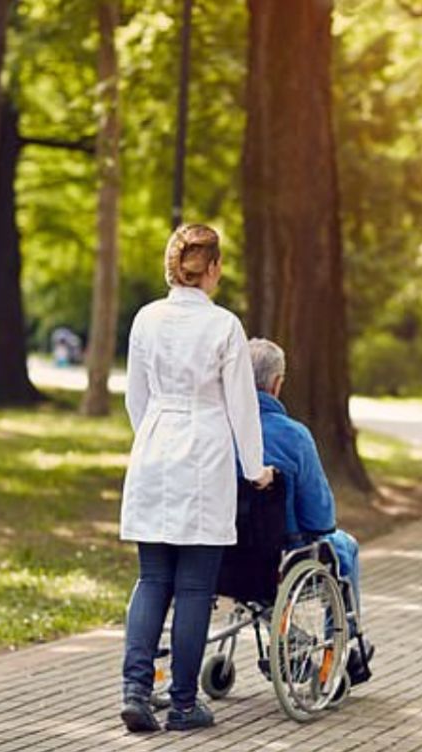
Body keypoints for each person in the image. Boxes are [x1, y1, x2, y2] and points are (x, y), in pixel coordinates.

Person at [119, 224, 274, 733]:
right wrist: (256, 469)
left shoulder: (146, 319)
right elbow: (242, 407)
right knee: (192, 588)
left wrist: (154, 439)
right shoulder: (224, 326)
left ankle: (137, 692)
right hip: (204, 458)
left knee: (151, 578)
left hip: (154, 452)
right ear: (211, 269)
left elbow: (135, 397)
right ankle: (184, 705)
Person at [247, 338, 374, 685]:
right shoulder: (294, 436)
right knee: (344, 545)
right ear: (276, 383)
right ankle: (348, 644)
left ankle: (293, 635)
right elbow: (321, 519)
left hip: (226, 557)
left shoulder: (218, 430)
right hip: (283, 554)